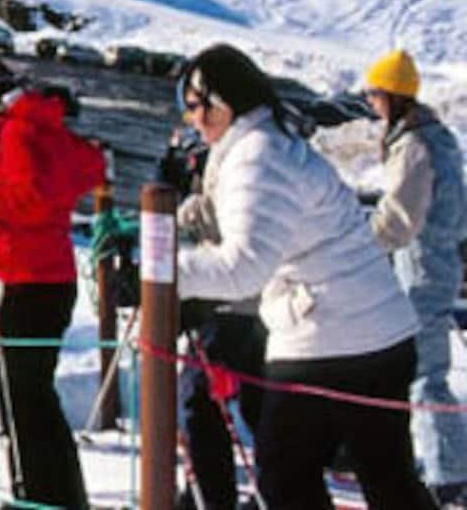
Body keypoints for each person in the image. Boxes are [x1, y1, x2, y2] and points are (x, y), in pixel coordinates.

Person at [175, 44, 435, 510]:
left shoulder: (256, 157)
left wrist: (165, 276)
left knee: (285, 477)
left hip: (331, 339)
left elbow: (244, 266)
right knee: (387, 480)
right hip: (374, 333)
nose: (191, 117)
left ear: (223, 102)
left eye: (195, 104)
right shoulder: (274, 144)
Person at [0, 55, 105, 510]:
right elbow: (89, 166)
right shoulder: (40, 126)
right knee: (33, 395)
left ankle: (40, 497)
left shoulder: (19, 132)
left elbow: (32, 197)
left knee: (22, 397)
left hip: (32, 282)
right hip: (47, 278)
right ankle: (59, 495)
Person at [364, 49, 467, 506]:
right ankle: (438, 459)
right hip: (436, 263)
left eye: (374, 95)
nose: (370, 103)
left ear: (392, 96)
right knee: (417, 368)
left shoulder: (414, 146)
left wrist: (354, 245)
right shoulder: (437, 137)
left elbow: (397, 222)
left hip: (422, 268)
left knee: (425, 372)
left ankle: (448, 474)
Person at [160, 127, 267, 510]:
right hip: (245, 305)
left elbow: (202, 226)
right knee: (255, 403)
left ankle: (213, 495)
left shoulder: (230, 178)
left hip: (234, 307)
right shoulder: (243, 169)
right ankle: (265, 490)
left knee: (201, 400)